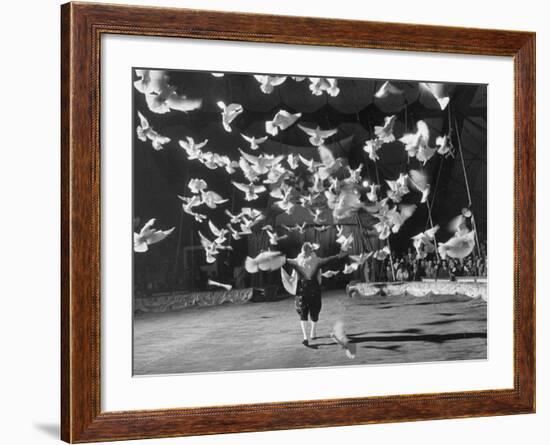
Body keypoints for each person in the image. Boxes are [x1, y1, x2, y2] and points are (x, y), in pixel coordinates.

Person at [286, 242, 346, 346]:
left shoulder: (317, 260)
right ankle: (305, 338)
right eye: (303, 248)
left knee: (314, 312)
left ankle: (313, 330)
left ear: (311, 250)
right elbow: (284, 260)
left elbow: (328, 259)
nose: (304, 249)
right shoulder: (296, 261)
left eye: (307, 248)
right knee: (303, 313)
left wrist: (338, 256)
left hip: (314, 290)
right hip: (301, 291)